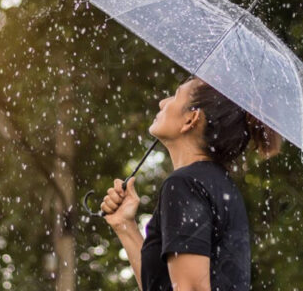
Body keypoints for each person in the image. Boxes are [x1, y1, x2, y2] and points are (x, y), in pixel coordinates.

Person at [100, 75, 282, 291]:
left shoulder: (185, 185)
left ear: (191, 119)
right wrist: (124, 225)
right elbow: (161, 286)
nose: (162, 103)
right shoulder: (218, 186)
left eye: (175, 96)